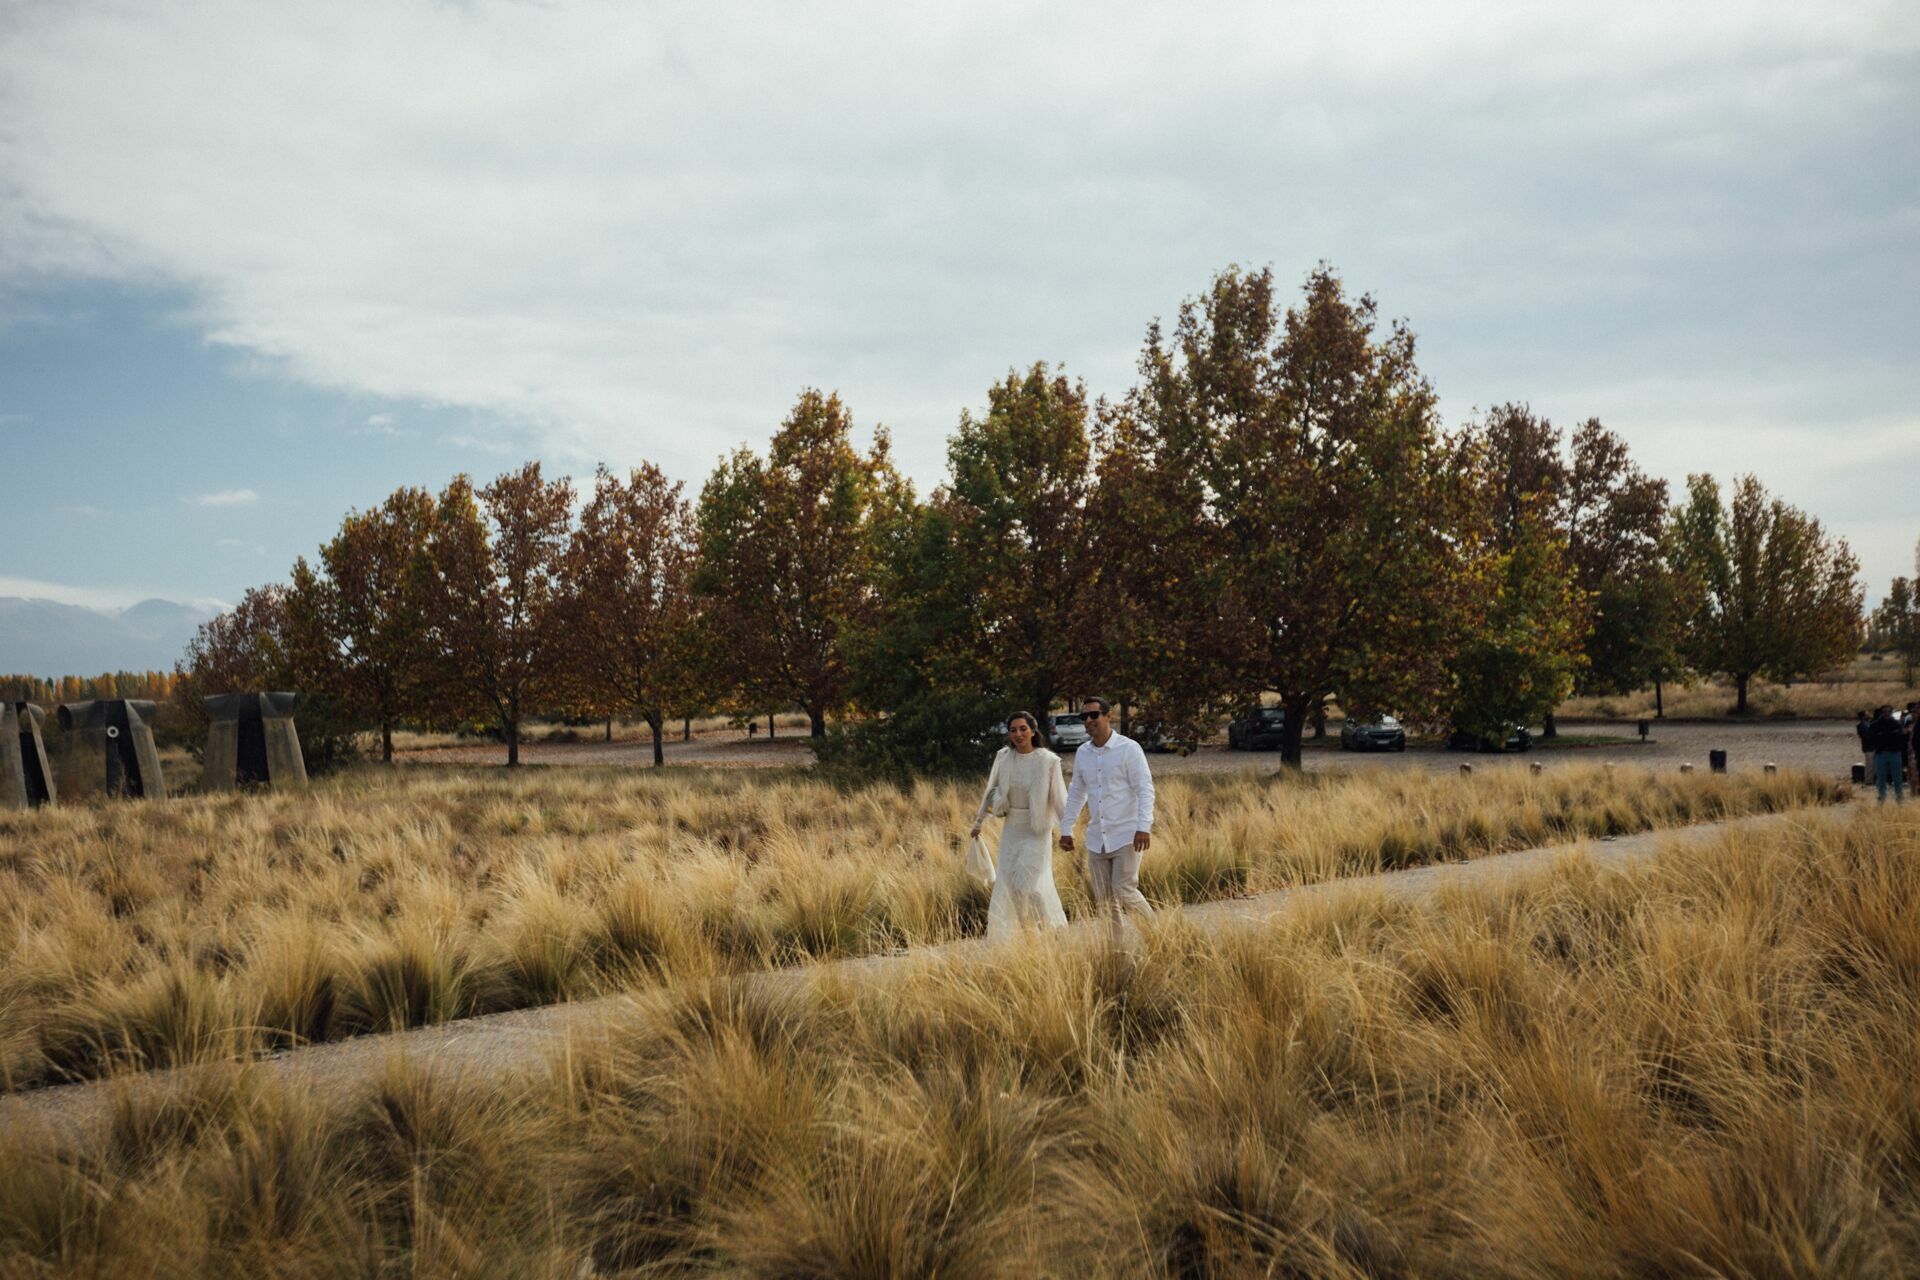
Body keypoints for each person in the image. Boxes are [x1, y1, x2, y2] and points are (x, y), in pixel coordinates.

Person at [969, 711, 1069, 940]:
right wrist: (978, 821)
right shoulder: (1004, 758)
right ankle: (1027, 933)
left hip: (1037, 831)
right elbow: (991, 790)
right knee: (1012, 887)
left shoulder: (1048, 761)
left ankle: (1051, 930)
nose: (1018, 734)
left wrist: (1067, 831)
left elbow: (1059, 799)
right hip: (1012, 830)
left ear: (1033, 731)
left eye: (1023, 729)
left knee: (1030, 885)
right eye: (1013, 730)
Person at [1060, 696, 1157, 921]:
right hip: (1097, 839)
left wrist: (1144, 826)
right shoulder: (1083, 753)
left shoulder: (1129, 749)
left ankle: (1158, 936)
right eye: (1084, 716)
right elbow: (1076, 792)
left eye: (1094, 715)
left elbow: (1145, 789)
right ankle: (1115, 953)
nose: (1089, 720)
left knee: (1124, 890)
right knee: (1104, 902)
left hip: (1127, 835)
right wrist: (1066, 828)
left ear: (1108, 716)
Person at [1863, 704, 1908, 804]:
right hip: (1881, 755)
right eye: (1884, 712)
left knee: (1897, 779)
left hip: (1895, 754)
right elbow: (1869, 738)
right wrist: (1877, 746)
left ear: (1891, 712)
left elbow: (1902, 739)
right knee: (1881, 779)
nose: (1886, 714)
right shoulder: (1875, 725)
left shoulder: (1896, 724)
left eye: (1889, 712)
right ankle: (1881, 799)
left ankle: (1899, 800)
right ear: (1881, 713)